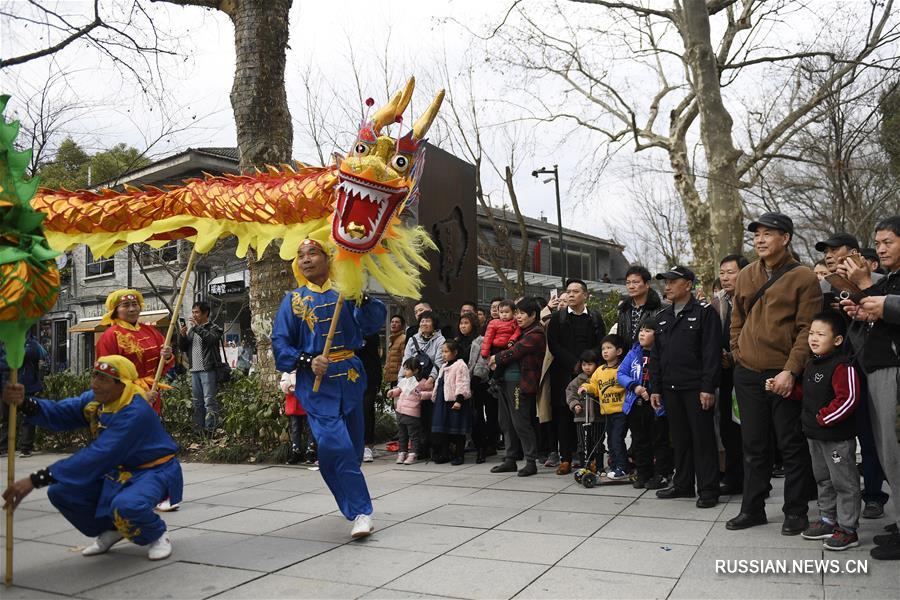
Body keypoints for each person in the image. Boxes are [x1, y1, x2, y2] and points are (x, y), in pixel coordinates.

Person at [1, 355, 183, 561]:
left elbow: (98, 456)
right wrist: (26, 403)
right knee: (61, 492)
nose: (95, 384)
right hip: (117, 470)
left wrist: (37, 479)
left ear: (121, 385)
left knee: (126, 505)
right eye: (94, 376)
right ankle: (112, 529)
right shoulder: (96, 401)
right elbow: (61, 412)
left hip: (153, 471)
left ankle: (156, 533)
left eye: (103, 379)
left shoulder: (135, 413)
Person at [272, 237, 386, 539]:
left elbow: (373, 322)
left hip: (349, 376)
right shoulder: (293, 300)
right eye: (301, 255)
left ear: (328, 258)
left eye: (312, 253)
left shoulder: (344, 292)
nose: (306, 259)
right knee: (335, 446)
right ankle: (362, 511)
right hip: (316, 386)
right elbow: (280, 343)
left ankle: (350, 499)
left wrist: (359, 294)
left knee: (350, 448)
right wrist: (307, 359)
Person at [727, 212, 820, 534]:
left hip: (784, 375)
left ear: (786, 238)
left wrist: (791, 371)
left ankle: (796, 511)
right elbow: (736, 318)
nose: (760, 240)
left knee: (791, 445)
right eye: (757, 235)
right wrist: (738, 351)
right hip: (748, 373)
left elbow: (808, 329)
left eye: (769, 234)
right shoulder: (747, 275)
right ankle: (752, 509)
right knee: (754, 446)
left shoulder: (804, 277)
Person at [773, 312, 861, 551]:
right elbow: (807, 396)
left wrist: (824, 418)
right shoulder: (812, 363)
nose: (813, 338)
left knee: (844, 482)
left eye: (821, 334)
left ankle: (848, 528)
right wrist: (789, 392)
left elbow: (849, 398)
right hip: (815, 436)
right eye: (811, 333)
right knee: (823, 480)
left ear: (838, 340)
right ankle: (828, 520)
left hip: (836, 438)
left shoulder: (843, 366)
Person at [840, 215, 900, 561]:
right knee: (886, 450)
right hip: (878, 368)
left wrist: (869, 288)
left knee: (894, 452)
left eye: (887, 241)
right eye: (877, 243)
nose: (880, 248)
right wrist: (865, 312)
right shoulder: (890, 278)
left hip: (893, 371)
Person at [651, 266, 722, 508]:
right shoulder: (662, 317)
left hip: (696, 388)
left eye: (673, 281)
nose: (667, 286)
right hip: (670, 388)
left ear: (688, 284)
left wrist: (708, 387)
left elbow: (711, 354)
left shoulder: (704, 313)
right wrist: (656, 388)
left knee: (702, 439)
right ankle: (682, 484)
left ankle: (708, 489)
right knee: (679, 439)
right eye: (665, 282)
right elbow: (657, 356)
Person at [546, 279, 606, 475]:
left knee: (591, 417)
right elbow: (553, 345)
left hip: (591, 374)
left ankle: (589, 458)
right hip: (564, 373)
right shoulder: (558, 318)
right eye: (568, 291)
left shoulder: (595, 318)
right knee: (564, 416)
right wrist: (574, 364)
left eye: (575, 291)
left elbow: (601, 344)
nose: (571, 295)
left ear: (585, 295)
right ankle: (566, 458)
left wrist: (588, 363)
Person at [489, 297, 547, 477]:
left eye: (522, 313)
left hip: (520, 384)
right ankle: (510, 459)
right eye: (517, 313)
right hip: (505, 381)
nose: (518, 317)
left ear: (533, 315)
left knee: (520, 423)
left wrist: (496, 358)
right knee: (505, 422)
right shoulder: (519, 331)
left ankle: (530, 461)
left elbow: (516, 351)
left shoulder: (536, 333)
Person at [96, 289, 174, 415]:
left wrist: (167, 356)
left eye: (134, 304)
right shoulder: (110, 336)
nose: (132, 309)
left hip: (152, 392)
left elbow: (163, 365)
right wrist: (140, 395)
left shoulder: (151, 331)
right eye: (125, 305)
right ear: (115, 311)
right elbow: (107, 376)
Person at [619, 320, 673, 489]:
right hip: (636, 403)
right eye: (641, 330)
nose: (642, 333)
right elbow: (621, 373)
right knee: (640, 440)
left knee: (660, 440)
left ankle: (662, 474)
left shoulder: (664, 352)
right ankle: (643, 473)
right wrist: (634, 386)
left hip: (657, 405)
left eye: (648, 330)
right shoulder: (634, 352)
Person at [712, 254, 749, 495]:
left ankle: (755, 482)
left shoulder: (753, 299)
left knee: (750, 430)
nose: (725, 277)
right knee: (728, 427)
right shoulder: (718, 302)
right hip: (725, 374)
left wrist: (735, 358)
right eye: (722, 273)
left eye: (731, 272)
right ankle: (734, 478)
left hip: (748, 371)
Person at [580, 334, 628, 479]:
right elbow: (593, 385)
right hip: (607, 412)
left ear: (618, 351)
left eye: (609, 348)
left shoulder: (622, 368)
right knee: (610, 440)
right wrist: (585, 388)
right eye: (603, 349)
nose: (605, 351)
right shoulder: (600, 370)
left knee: (617, 439)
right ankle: (614, 466)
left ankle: (622, 467)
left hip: (621, 411)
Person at [400, 310, 446, 460]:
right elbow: (406, 360)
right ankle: (420, 448)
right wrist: (403, 381)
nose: (424, 324)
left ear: (434, 324)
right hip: (413, 382)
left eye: (427, 321)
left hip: (431, 382)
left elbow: (439, 361)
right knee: (415, 416)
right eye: (422, 321)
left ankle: (435, 448)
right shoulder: (413, 339)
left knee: (430, 415)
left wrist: (431, 379)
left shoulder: (440, 340)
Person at [178, 301, 223, 435]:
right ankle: (199, 429)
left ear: (205, 313)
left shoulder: (214, 328)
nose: (194, 315)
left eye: (197, 312)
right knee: (197, 402)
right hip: (194, 370)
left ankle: (210, 430)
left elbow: (211, 340)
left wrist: (198, 327)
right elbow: (183, 348)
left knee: (209, 401)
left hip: (208, 369)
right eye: (193, 312)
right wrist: (182, 336)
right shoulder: (192, 330)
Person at [0, 332, 46, 457]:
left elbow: (40, 354)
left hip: (27, 386)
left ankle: (26, 448)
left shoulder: (32, 344)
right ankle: (4, 448)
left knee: (28, 418)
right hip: (7, 387)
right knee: (6, 419)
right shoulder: (5, 343)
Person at [431, 339, 472, 465]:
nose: (443, 354)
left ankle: (459, 455)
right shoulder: (444, 366)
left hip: (454, 401)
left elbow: (463, 383)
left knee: (457, 429)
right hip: (442, 401)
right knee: (443, 428)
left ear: (455, 352)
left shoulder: (460, 365)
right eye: (442, 352)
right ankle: (445, 453)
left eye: (446, 351)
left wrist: (459, 399)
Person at [458, 312, 491, 463]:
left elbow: (482, 362)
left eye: (466, 323)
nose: (463, 326)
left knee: (478, 417)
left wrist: (475, 380)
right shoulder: (457, 341)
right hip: (460, 384)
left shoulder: (481, 340)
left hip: (477, 384)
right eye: (461, 323)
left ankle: (481, 449)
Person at [387, 358, 432, 465]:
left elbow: (431, 393)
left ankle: (413, 453)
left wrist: (422, 395)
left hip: (412, 413)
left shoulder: (421, 382)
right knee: (402, 435)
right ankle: (402, 452)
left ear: (416, 370)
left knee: (413, 435)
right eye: (404, 369)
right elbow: (399, 390)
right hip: (400, 411)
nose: (404, 372)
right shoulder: (404, 381)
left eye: (407, 369)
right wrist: (392, 392)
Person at [566, 349, 601, 470]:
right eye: (584, 364)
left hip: (597, 417)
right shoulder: (577, 380)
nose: (587, 367)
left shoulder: (600, 377)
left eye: (590, 364)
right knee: (582, 442)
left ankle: (598, 464)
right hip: (581, 417)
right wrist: (575, 404)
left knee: (597, 441)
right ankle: (584, 465)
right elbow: (570, 393)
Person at [615, 266, 664, 346]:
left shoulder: (659, 309)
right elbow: (620, 338)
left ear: (647, 284)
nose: (631, 286)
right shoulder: (624, 309)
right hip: (628, 356)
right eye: (628, 283)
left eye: (635, 282)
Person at [279, 371, 316, 465]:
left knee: (311, 427)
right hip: (295, 401)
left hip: (308, 400)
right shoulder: (290, 368)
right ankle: (296, 451)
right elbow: (284, 382)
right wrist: (289, 387)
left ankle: (310, 451)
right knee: (295, 429)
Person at [358, 332, 383, 462]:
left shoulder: (372, 333)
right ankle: (361, 444)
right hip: (353, 376)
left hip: (370, 377)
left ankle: (368, 445)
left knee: (367, 410)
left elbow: (375, 357)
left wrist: (379, 379)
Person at [384, 315, 407, 388]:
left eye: (397, 322)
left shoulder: (403, 339)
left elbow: (405, 358)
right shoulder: (393, 339)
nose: (393, 324)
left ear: (402, 325)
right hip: (392, 377)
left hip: (399, 377)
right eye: (392, 322)